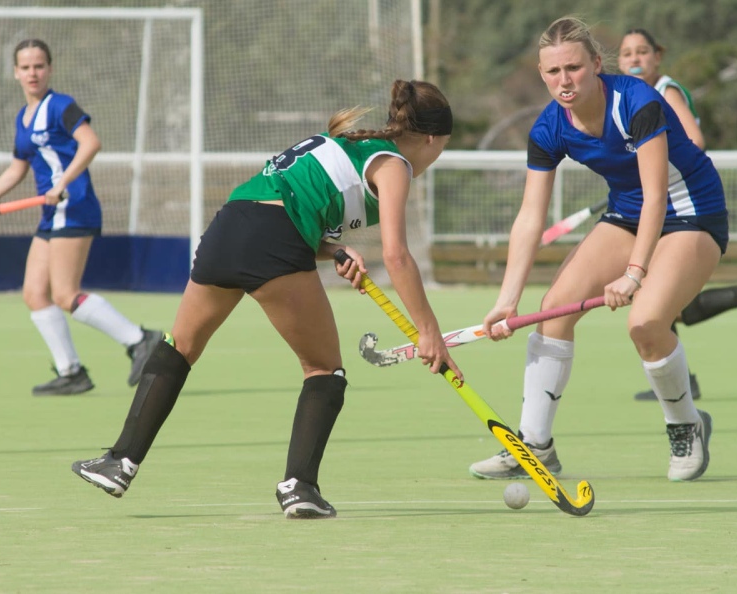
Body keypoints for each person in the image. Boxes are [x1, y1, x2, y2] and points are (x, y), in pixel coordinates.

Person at [71, 79, 462, 519]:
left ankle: (120, 460)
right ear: (431, 139)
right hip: (273, 238)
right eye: (441, 149)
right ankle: (300, 488)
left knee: (179, 346)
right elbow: (397, 255)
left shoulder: (350, 143)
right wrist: (429, 332)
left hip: (229, 224)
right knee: (323, 369)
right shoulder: (394, 165)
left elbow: (282, 205)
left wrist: (333, 249)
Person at [470, 16, 726, 483]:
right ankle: (535, 445)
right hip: (626, 215)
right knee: (553, 313)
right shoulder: (549, 127)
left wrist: (633, 273)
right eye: (552, 72)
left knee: (645, 323)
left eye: (574, 68)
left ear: (595, 63)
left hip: (691, 212)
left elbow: (656, 195)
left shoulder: (637, 102)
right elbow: (530, 217)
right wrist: (507, 299)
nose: (564, 81)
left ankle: (686, 423)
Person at [0, 39, 160, 396]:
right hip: (51, 213)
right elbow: (16, 170)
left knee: (65, 294)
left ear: (49, 69)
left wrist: (63, 181)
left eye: (39, 66)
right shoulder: (23, 117)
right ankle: (71, 372)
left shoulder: (61, 106)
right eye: (26, 67)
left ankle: (141, 340)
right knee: (34, 293)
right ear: (15, 72)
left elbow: (90, 143)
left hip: (74, 205)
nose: (33, 73)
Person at [619, 27, 737, 401]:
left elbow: (694, 139)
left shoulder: (665, 90)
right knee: (660, 300)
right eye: (627, 53)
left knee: (656, 299)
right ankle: (685, 375)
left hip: (682, 202)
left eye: (642, 51)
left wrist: (652, 172)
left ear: (657, 56)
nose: (634, 59)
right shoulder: (629, 99)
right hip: (660, 201)